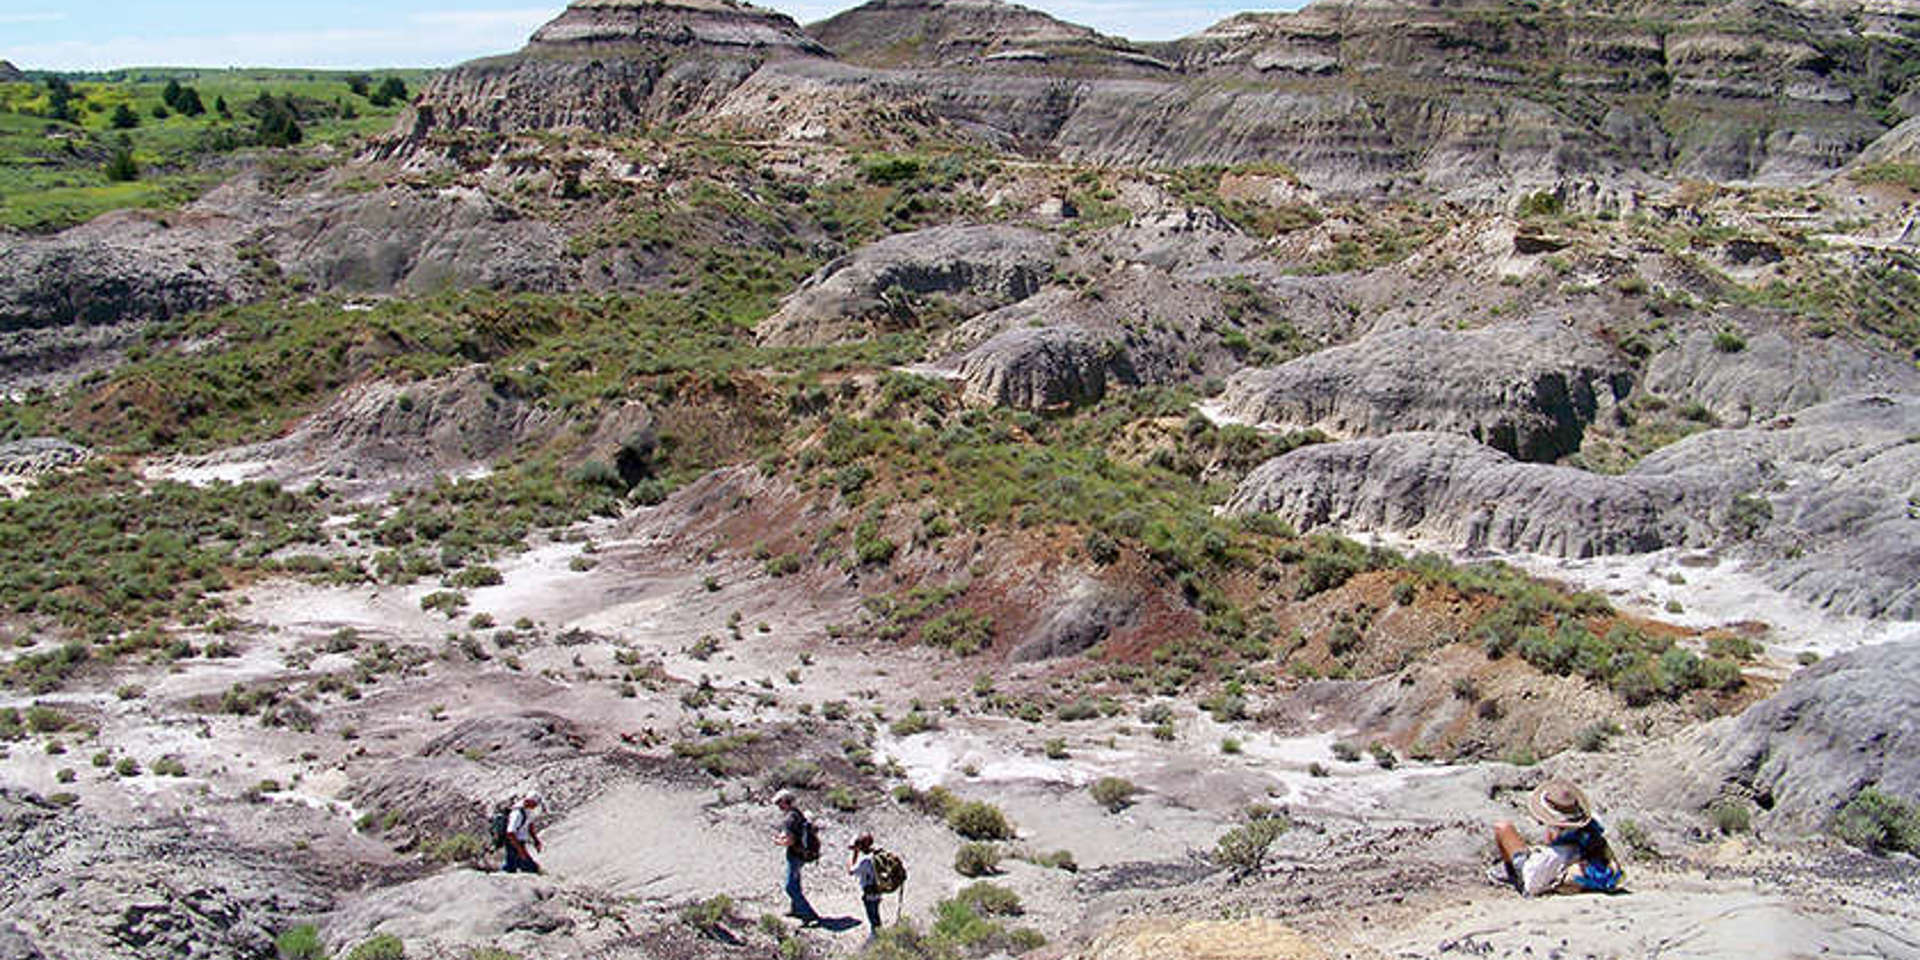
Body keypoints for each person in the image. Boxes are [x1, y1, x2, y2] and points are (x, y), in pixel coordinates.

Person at [1491, 779, 1623, 896]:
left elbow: (1532, 884)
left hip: (1536, 875)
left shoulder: (1554, 855)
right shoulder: (1588, 835)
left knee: (1503, 828)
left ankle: (1511, 873)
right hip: (1563, 863)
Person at [773, 790, 820, 924]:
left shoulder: (789, 819)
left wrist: (778, 841)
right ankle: (796, 909)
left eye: (779, 803)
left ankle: (809, 914)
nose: (778, 806)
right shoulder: (797, 813)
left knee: (790, 886)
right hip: (802, 853)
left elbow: (790, 841)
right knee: (796, 881)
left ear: (785, 802)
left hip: (795, 854)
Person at [848, 833, 882, 934]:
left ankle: (876, 938)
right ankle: (879, 935)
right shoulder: (877, 855)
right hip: (878, 890)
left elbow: (851, 870)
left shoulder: (865, 861)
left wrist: (853, 854)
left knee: (873, 919)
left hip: (870, 893)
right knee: (875, 915)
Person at [504, 794, 543, 874]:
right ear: (529, 801)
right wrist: (520, 851)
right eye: (534, 803)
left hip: (519, 843)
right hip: (513, 844)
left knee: (513, 867)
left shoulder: (528, 810)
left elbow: (529, 825)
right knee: (529, 867)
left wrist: (536, 840)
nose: (535, 806)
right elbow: (510, 833)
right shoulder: (517, 813)